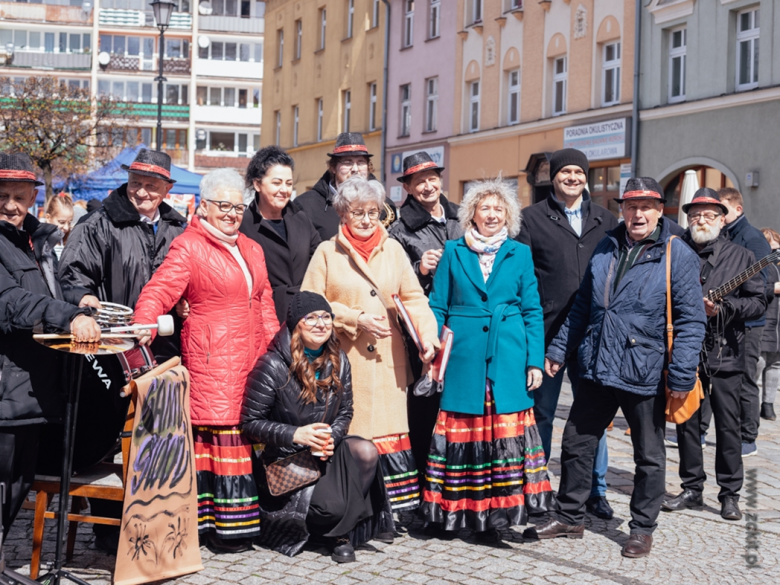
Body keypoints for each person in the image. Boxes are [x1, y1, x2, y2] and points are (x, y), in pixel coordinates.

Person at [524, 178, 706, 559]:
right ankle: (570, 515)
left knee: (649, 455)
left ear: (660, 211)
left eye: (646, 206)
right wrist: (559, 349)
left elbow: (691, 321)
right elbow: (583, 305)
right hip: (597, 364)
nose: (637, 214)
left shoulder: (678, 253)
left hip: (645, 370)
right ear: (621, 210)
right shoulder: (606, 246)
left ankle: (641, 527)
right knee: (576, 443)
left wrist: (682, 374)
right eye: (630, 206)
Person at [133, 168, 279, 553]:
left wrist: (276, 349)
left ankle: (242, 525)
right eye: (223, 205)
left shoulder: (251, 247)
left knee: (244, 435)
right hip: (213, 357)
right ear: (204, 206)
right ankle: (217, 529)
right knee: (220, 436)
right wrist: (143, 323)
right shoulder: (189, 245)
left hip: (252, 358)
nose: (232, 213)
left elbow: (263, 301)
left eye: (238, 206)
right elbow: (160, 289)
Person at [420, 178, 553, 541]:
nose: (491, 215)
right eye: (484, 208)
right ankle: (453, 515)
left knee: (504, 435)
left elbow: (532, 310)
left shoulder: (519, 253)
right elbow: (438, 305)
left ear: (507, 216)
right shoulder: (453, 251)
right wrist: (430, 346)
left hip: (508, 355)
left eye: (498, 209)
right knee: (463, 434)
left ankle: (498, 518)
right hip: (463, 357)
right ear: (471, 215)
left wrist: (534, 362)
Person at [301, 176, 439, 526]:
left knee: (392, 434)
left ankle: (393, 515)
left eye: (373, 212)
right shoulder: (327, 252)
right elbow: (310, 303)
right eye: (358, 212)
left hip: (389, 364)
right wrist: (354, 318)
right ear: (343, 214)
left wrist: (428, 337)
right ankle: (355, 512)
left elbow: (413, 298)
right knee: (355, 436)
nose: (366, 220)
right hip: (347, 363)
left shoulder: (393, 249)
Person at [242, 292, 393, 563]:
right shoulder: (272, 365)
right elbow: (250, 423)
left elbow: (345, 411)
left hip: (324, 452)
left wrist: (330, 438)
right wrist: (296, 434)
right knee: (330, 509)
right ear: (295, 324)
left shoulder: (338, 358)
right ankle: (335, 523)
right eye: (311, 318)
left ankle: (341, 535)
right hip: (287, 463)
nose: (321, 324)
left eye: (326, 317)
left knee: (367, 450)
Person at [0, 152, 101, 536]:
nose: (10, 205)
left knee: (17, 487)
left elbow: (46, 288)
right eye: (2, 195)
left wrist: (77, 298)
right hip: (5, 391)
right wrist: (68, 316)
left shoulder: (36, 239)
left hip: (32, 390)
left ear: (32, 199)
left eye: (19, 196)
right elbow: (11, 301)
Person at [516, 148, 619, 520]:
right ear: (553, 177)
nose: (572, 177)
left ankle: (595, 489)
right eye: (565, 172)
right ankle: (536, 487)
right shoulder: (530, 218)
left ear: (586, 177)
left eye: (578, 171)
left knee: (594, 415)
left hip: (594, 334)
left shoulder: (607, 219)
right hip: (546, 331)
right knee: (540, 412)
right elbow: (523, 276)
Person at [661, 188, 765, 522]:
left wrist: (723, 308)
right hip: (684, 352)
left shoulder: (741, 255)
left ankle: (729, 493)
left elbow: (759, 302)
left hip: (725, 351)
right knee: (688, 422)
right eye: (694, 215)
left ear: (722, 219)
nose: (700, 220)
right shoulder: (675, 251)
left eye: (708, 215)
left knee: (727, 425)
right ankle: (691, 487)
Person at [59, 148, 187, 363]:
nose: (141, 192)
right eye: (136, 183)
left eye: (151, 186)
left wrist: (186, 300)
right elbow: (73, 275)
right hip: (110, 346)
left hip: (164, 347)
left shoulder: (179, 229)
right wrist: (82, 298)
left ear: (168, 189)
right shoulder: (97, 224)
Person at [387, 151, 463, 475]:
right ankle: (419, 481)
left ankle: (454, 478)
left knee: (459, 407)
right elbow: (394, 280)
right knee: (423, 407)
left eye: (432, 178)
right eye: (419, 182)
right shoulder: (399, 229)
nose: (428, 186)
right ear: (408, 188)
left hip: (463, 323)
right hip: (422, 332)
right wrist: (420, 268)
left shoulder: (462, 217)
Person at [719, 187, 773, 458]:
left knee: (746, 379)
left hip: (750, 323)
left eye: (722, 209)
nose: (717, 215)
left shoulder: (752, 238)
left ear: (737, 209)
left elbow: (762, 285)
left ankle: (748, 438)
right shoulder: (724, 234)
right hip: (726, 319)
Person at [240, 146, 322, 323]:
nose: (284, 190)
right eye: (277, 183)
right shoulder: (243, 224)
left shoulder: (301, 220)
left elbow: (321, 260)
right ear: (257, 184)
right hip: (261, 316)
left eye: (289, 183)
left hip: (303, 316)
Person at [293, 133, 396, 240]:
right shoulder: (305, 205)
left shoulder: (386, 206)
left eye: (361, 163)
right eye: (348, 163)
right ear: (333, 167)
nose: (355, 169)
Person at [756, 228, 780, 421]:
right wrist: (773, 288)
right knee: (759, 363)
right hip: (764, 323)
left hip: (778, 326)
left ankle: (768, 405)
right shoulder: (760, 264)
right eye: (773, 249)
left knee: (775, 364)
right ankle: (748, 404)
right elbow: (754, 289)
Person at [43, 193, 74, 259]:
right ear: (48, 218)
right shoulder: (41, 241)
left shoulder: (69, 240)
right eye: (62, 222)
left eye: (69, 223)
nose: (66, 227)